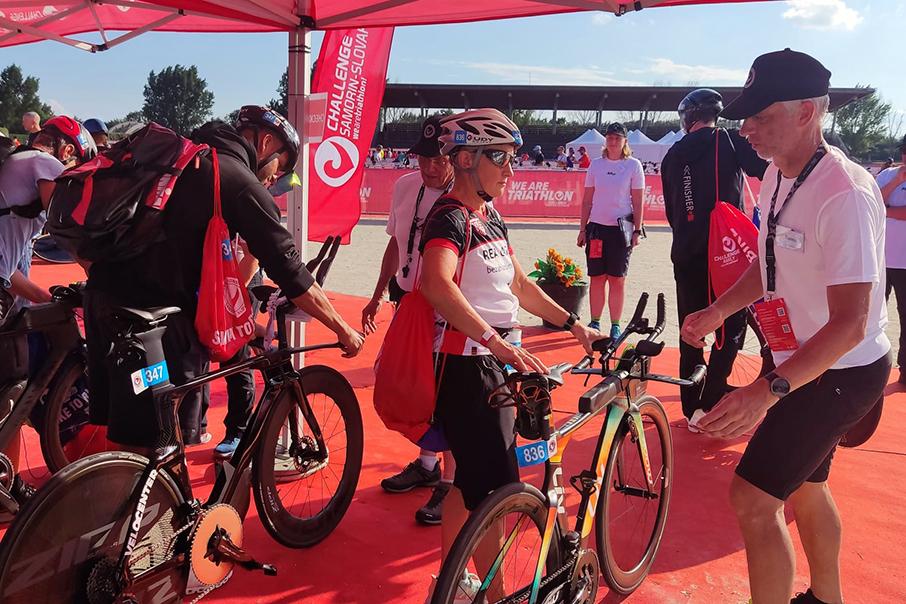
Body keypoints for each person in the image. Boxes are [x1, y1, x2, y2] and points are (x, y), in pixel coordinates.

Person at [682, 49, 891, 604]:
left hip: (839, 369)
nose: (746, 127)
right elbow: (767, 265)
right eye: (744, 114)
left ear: (808, 113)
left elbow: (850, 324)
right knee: (807, 487)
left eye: (760, 115)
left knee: (752, 500)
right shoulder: (777, 173)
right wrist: (719, 310)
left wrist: (765, 391)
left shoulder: (842, 192)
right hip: (799, 357)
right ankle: (826, 600)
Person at [83, 105, 364, 453]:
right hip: (155, 327)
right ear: (265, 142)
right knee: (159, 449)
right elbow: (289, 268)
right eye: (282, 164)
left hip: (102, 302)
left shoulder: (183, 155)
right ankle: (147, 507)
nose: (276, 178)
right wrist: (341, 328)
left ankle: (109, 496)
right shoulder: (235, 178)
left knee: (125, 439)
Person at [419, 108, 601, 600]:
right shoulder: (450, 217)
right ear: (465, 158)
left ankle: (454, 579)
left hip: (494, 363)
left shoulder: (488, 214)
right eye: (500, 157)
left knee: (469, 484)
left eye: (512, 158)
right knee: (497, 494)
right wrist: (496, 342)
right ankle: (493, 595)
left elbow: (519, 284)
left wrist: (573, 323)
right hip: (468, 367)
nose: (510, 169)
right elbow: (434, 283)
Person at [361, 115, 458, 525]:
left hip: (449, 310)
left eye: (438, 159)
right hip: (409, 303)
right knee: (411, 387)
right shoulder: (404, 186)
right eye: (423, 158)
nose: (429, 167)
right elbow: (395, 245)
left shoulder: (468, 195)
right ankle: (426, 462)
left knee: (448, 394)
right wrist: (377, 292)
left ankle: (450, 487)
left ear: (455, 158)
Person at [0, 116, 96, 519]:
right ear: (68, 150)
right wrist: (101, 275)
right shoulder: (44, 163)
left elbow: (10, 271)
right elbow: (71, 226)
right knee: (10, 387)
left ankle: (4, 484)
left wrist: (47, 297)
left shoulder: (14, 170)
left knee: (8, 387)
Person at [661, 88, 768, 425]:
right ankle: (711, 401)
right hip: (727, 251)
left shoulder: (673, 155)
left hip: (687, 251)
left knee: (691, 329)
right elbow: (766, 172)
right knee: (730, 325)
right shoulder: (730, 141)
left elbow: (672, 209)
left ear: (688, 117)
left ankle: (691, 406)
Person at [576, 122, 645, 339]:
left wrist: (637, 230)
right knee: (597, 277)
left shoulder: (633, 165)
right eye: (610, 137)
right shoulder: (596, 165)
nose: (613, 141)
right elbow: (587, 200)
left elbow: (638, 200)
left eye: (617, 137)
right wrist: (582, 228)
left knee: (617, 279)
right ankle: (595, 321)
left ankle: (615, 324)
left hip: (621, 230)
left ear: (625, 141)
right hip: (596, 228)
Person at [877, 136, 906, 383]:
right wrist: (897, 181)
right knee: (872, 315)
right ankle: (870, 367)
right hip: (881, 261)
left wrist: (887, 210)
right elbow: (874, 202)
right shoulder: (888, 176)